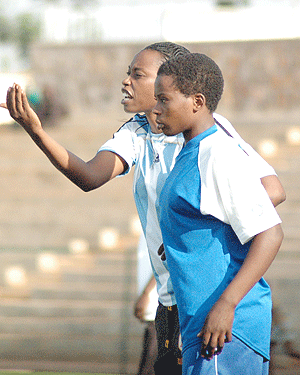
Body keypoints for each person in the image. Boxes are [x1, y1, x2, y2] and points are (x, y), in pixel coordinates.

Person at [0, 42, 285, 374]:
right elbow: (90, 176)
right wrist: (36, 131)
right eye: (128, 74)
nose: (127, 82)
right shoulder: (136, 131)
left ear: (169, 81)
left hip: (207, 294)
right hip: (172, 299)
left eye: (138, 75)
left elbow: (270, 193)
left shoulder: (208, 136)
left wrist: (188, 238)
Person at [154, 52, 284, 374]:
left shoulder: (218, 154)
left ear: (197, 101)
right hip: (203, 326)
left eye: (164, 100)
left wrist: (226, 305)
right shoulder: (188, 152)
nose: (155, 109)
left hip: (225, 329)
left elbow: (270, 232)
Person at [135, 234, 158, 375]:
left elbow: (163, 261)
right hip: (152, 312)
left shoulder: (159, 220)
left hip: (158, 306)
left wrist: (146, 293)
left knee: (148, 369)